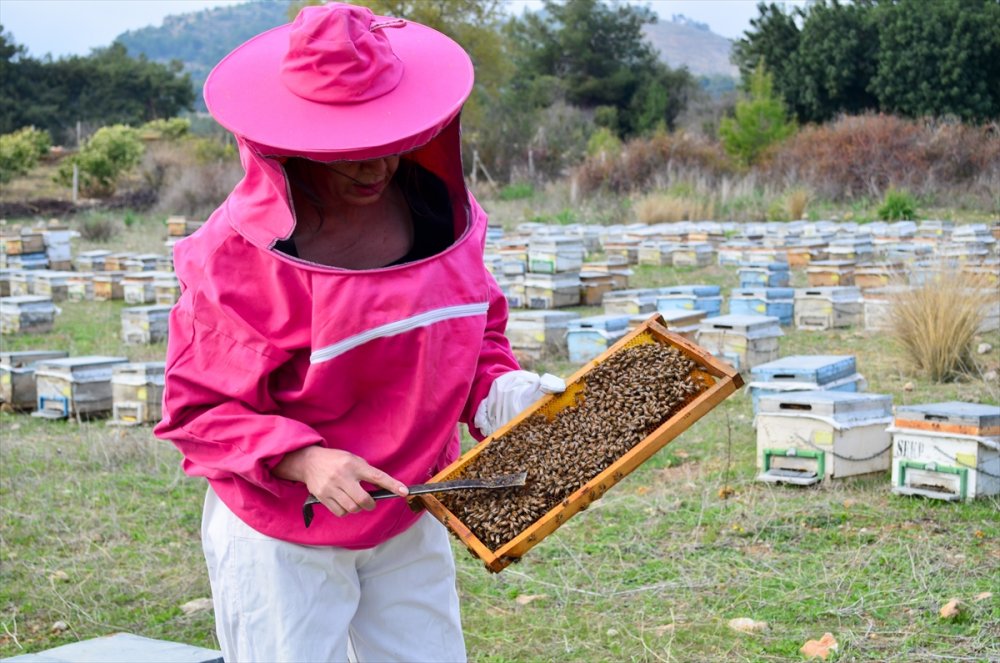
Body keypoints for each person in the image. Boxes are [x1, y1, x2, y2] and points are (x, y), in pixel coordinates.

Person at [153, 4, 564, 662]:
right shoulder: (237, 256)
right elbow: (198, 408)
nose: (377, 168)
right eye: (351, 153)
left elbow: (472, 338)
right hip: (285, 528)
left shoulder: (441, 216)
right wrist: (305, 457)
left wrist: (505, 393)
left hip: (409, 506)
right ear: (295, 140)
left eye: (389, 143)